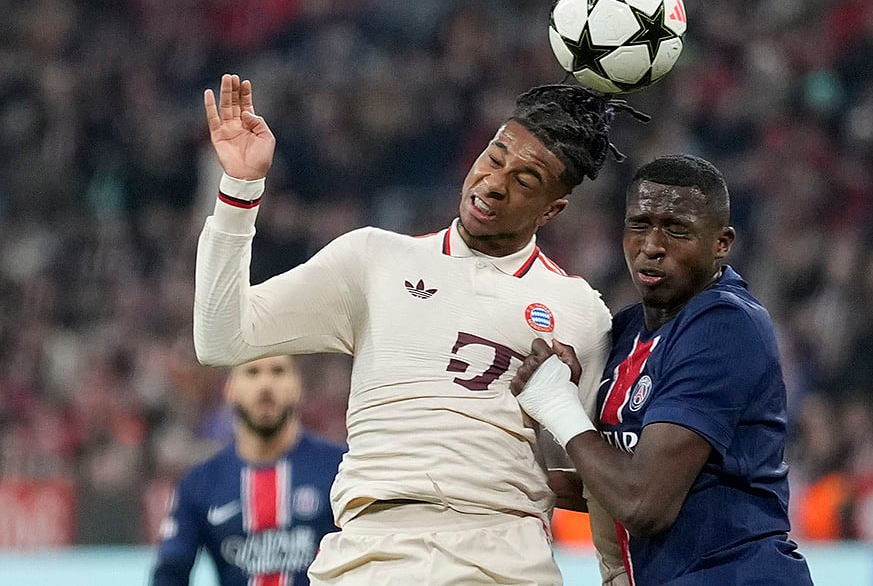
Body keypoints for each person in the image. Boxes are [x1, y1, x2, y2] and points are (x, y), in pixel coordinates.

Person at [192, 74, 648, 584]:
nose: (495, 184)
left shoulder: (579, 311)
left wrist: (615, 575)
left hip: (500, 555)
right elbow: (223, 337)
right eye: (495, 158)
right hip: (366, 553)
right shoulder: (373, 258)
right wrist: (239, 189)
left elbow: (598, 479)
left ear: (553, 209)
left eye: (525, 180)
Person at [514, 155, 814, 585]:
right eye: (639, 224)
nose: (652, 245)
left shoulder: (724, 324)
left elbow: (644, 505)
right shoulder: (627, 329)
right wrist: (507, 475)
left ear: (721, 243)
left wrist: (558, 407)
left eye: (676, 229)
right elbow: (614, 485)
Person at [151, 354, 347, 586]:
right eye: (252, 372)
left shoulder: (341, 469)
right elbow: (170, 573)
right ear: (230, 389)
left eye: (278, 371)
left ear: (297, 386)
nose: (265, 384)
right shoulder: (199, 483)